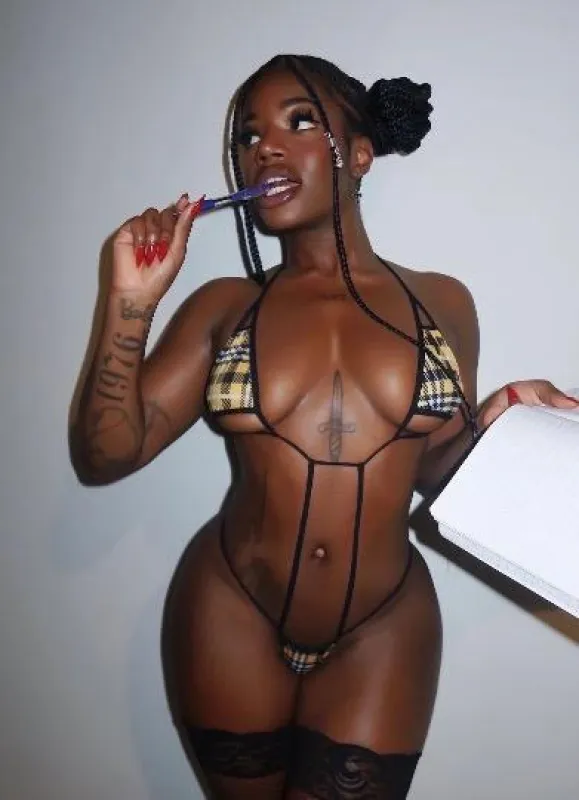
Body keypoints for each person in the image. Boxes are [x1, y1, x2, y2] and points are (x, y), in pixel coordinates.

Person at [71, 54, 577, 800]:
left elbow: (435, 465)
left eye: (299, 122)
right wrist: (130, 300)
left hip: (385, 622)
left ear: (360, 153)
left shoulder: (444, 301)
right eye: (248, 136)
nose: (264, 148)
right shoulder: (222, 307)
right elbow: (108, 454)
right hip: (231, 608)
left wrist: (504, 425)